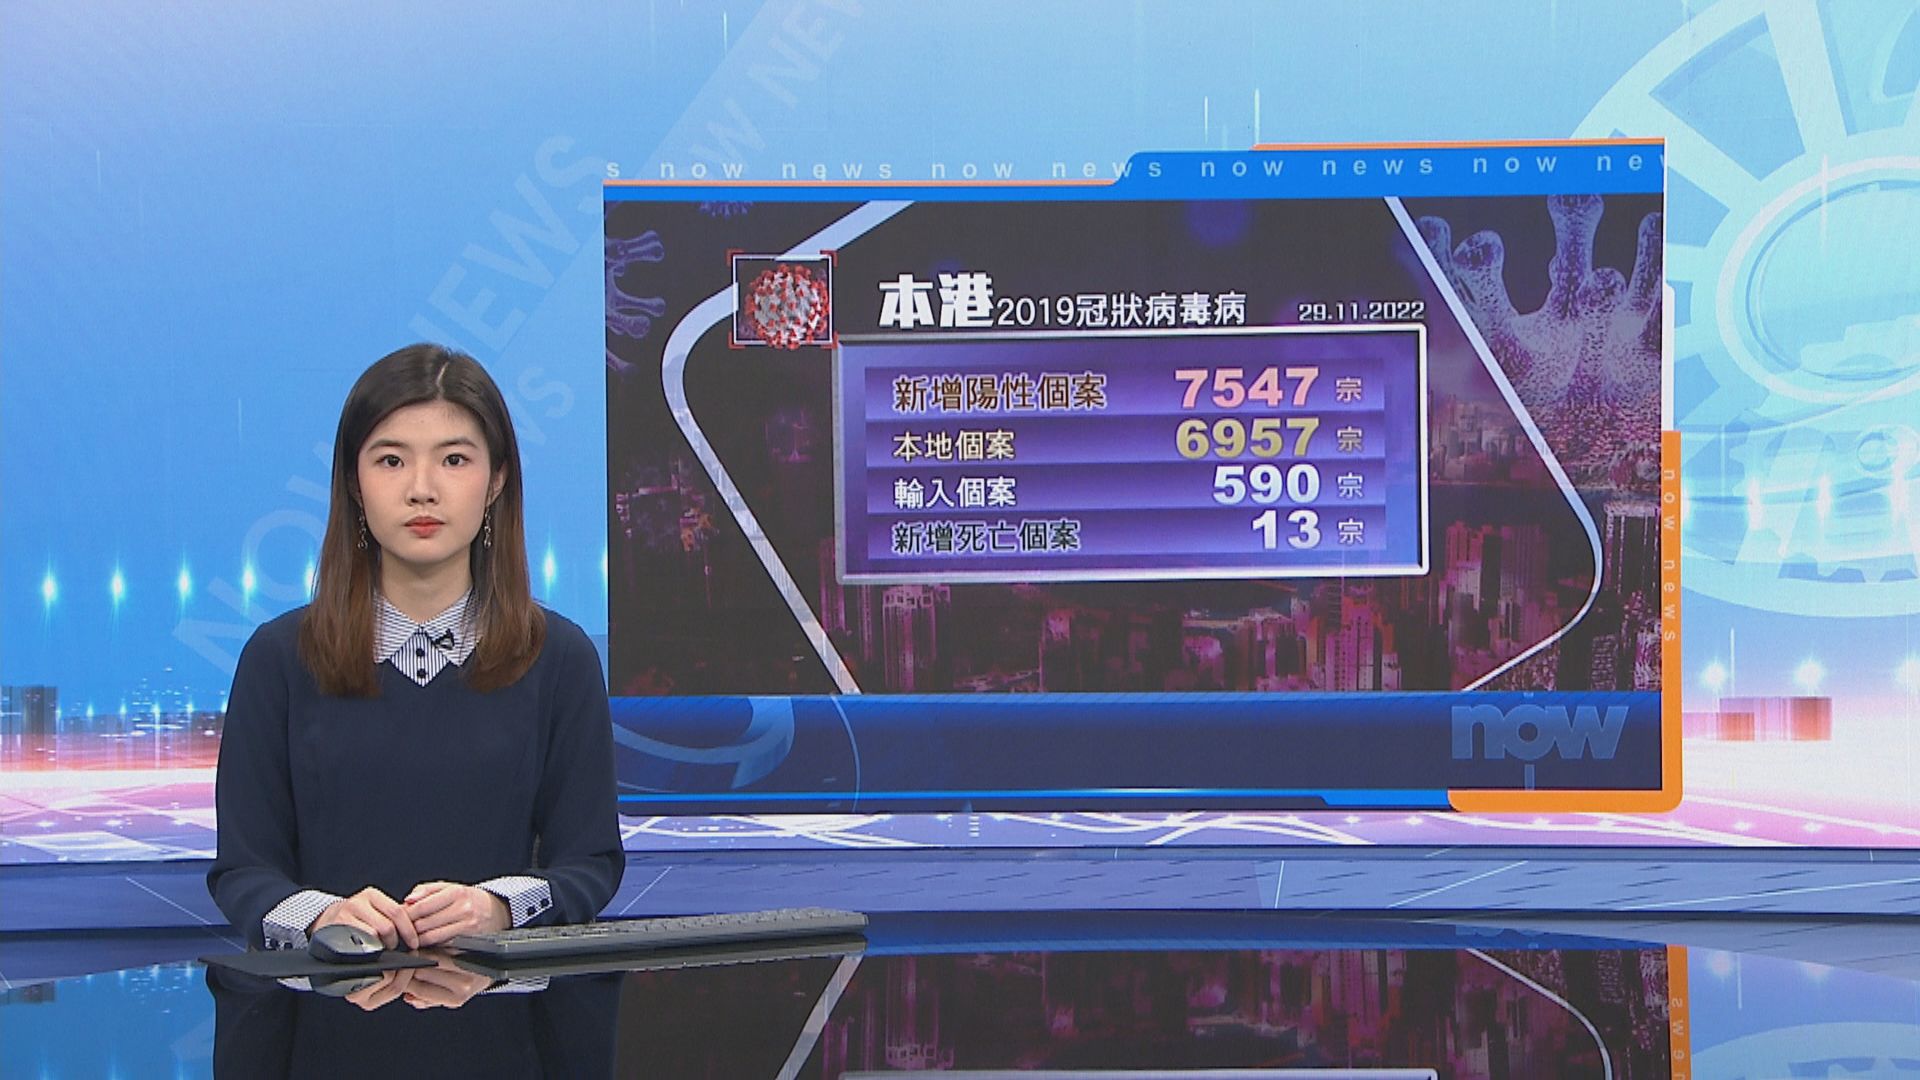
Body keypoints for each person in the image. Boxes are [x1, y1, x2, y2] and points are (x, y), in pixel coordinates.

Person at [208, 343, 623, 952]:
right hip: (328, 1001)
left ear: (496, 480)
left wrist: (497, 908)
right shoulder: (279, 659)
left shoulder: (559, 658)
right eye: (391, 461)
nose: (422, 489)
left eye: (454, 459)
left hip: (500, 1005)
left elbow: (590, 864)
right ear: (354, 483)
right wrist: (325, 917)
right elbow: (244, 871)